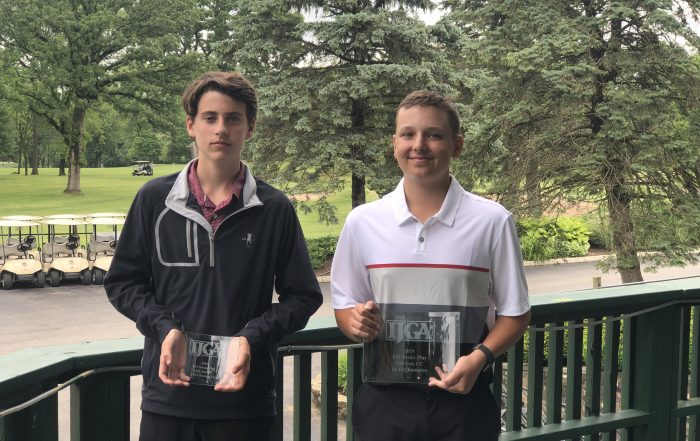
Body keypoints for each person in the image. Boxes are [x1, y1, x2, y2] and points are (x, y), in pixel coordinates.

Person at [104, 71, 323, 441]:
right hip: (168, 400)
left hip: (245, 402)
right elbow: (123, 283)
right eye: (210, 117)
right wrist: (165, 327)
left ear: (250, 128)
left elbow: (303, 296)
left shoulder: (273, 208)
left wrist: (252, 336)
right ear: (191, 125)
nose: (221, 129)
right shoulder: (154, 200)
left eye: (233, 118)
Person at [331, 90, 531, 440]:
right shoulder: (362, 222)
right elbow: (345, 307)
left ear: (457, 145)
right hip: (384, 405)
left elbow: (516, 313)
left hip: (464, 404)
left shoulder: (492, 221)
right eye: (408, 134)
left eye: (434, 135)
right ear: (394, 144)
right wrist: (355, 321)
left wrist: (480, 357)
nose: (419, 145)